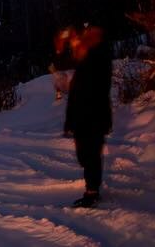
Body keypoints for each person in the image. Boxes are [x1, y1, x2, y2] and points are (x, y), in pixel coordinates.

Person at [64, 24, 113, 208]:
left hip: (93, 116)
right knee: (85, 155)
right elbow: (75, 96)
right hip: (82, 118)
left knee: (90, 153)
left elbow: (95, 90)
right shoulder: (84, 64)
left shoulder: (98, 60)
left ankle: (92, 191)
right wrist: (70, 121)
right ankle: (92, 187)